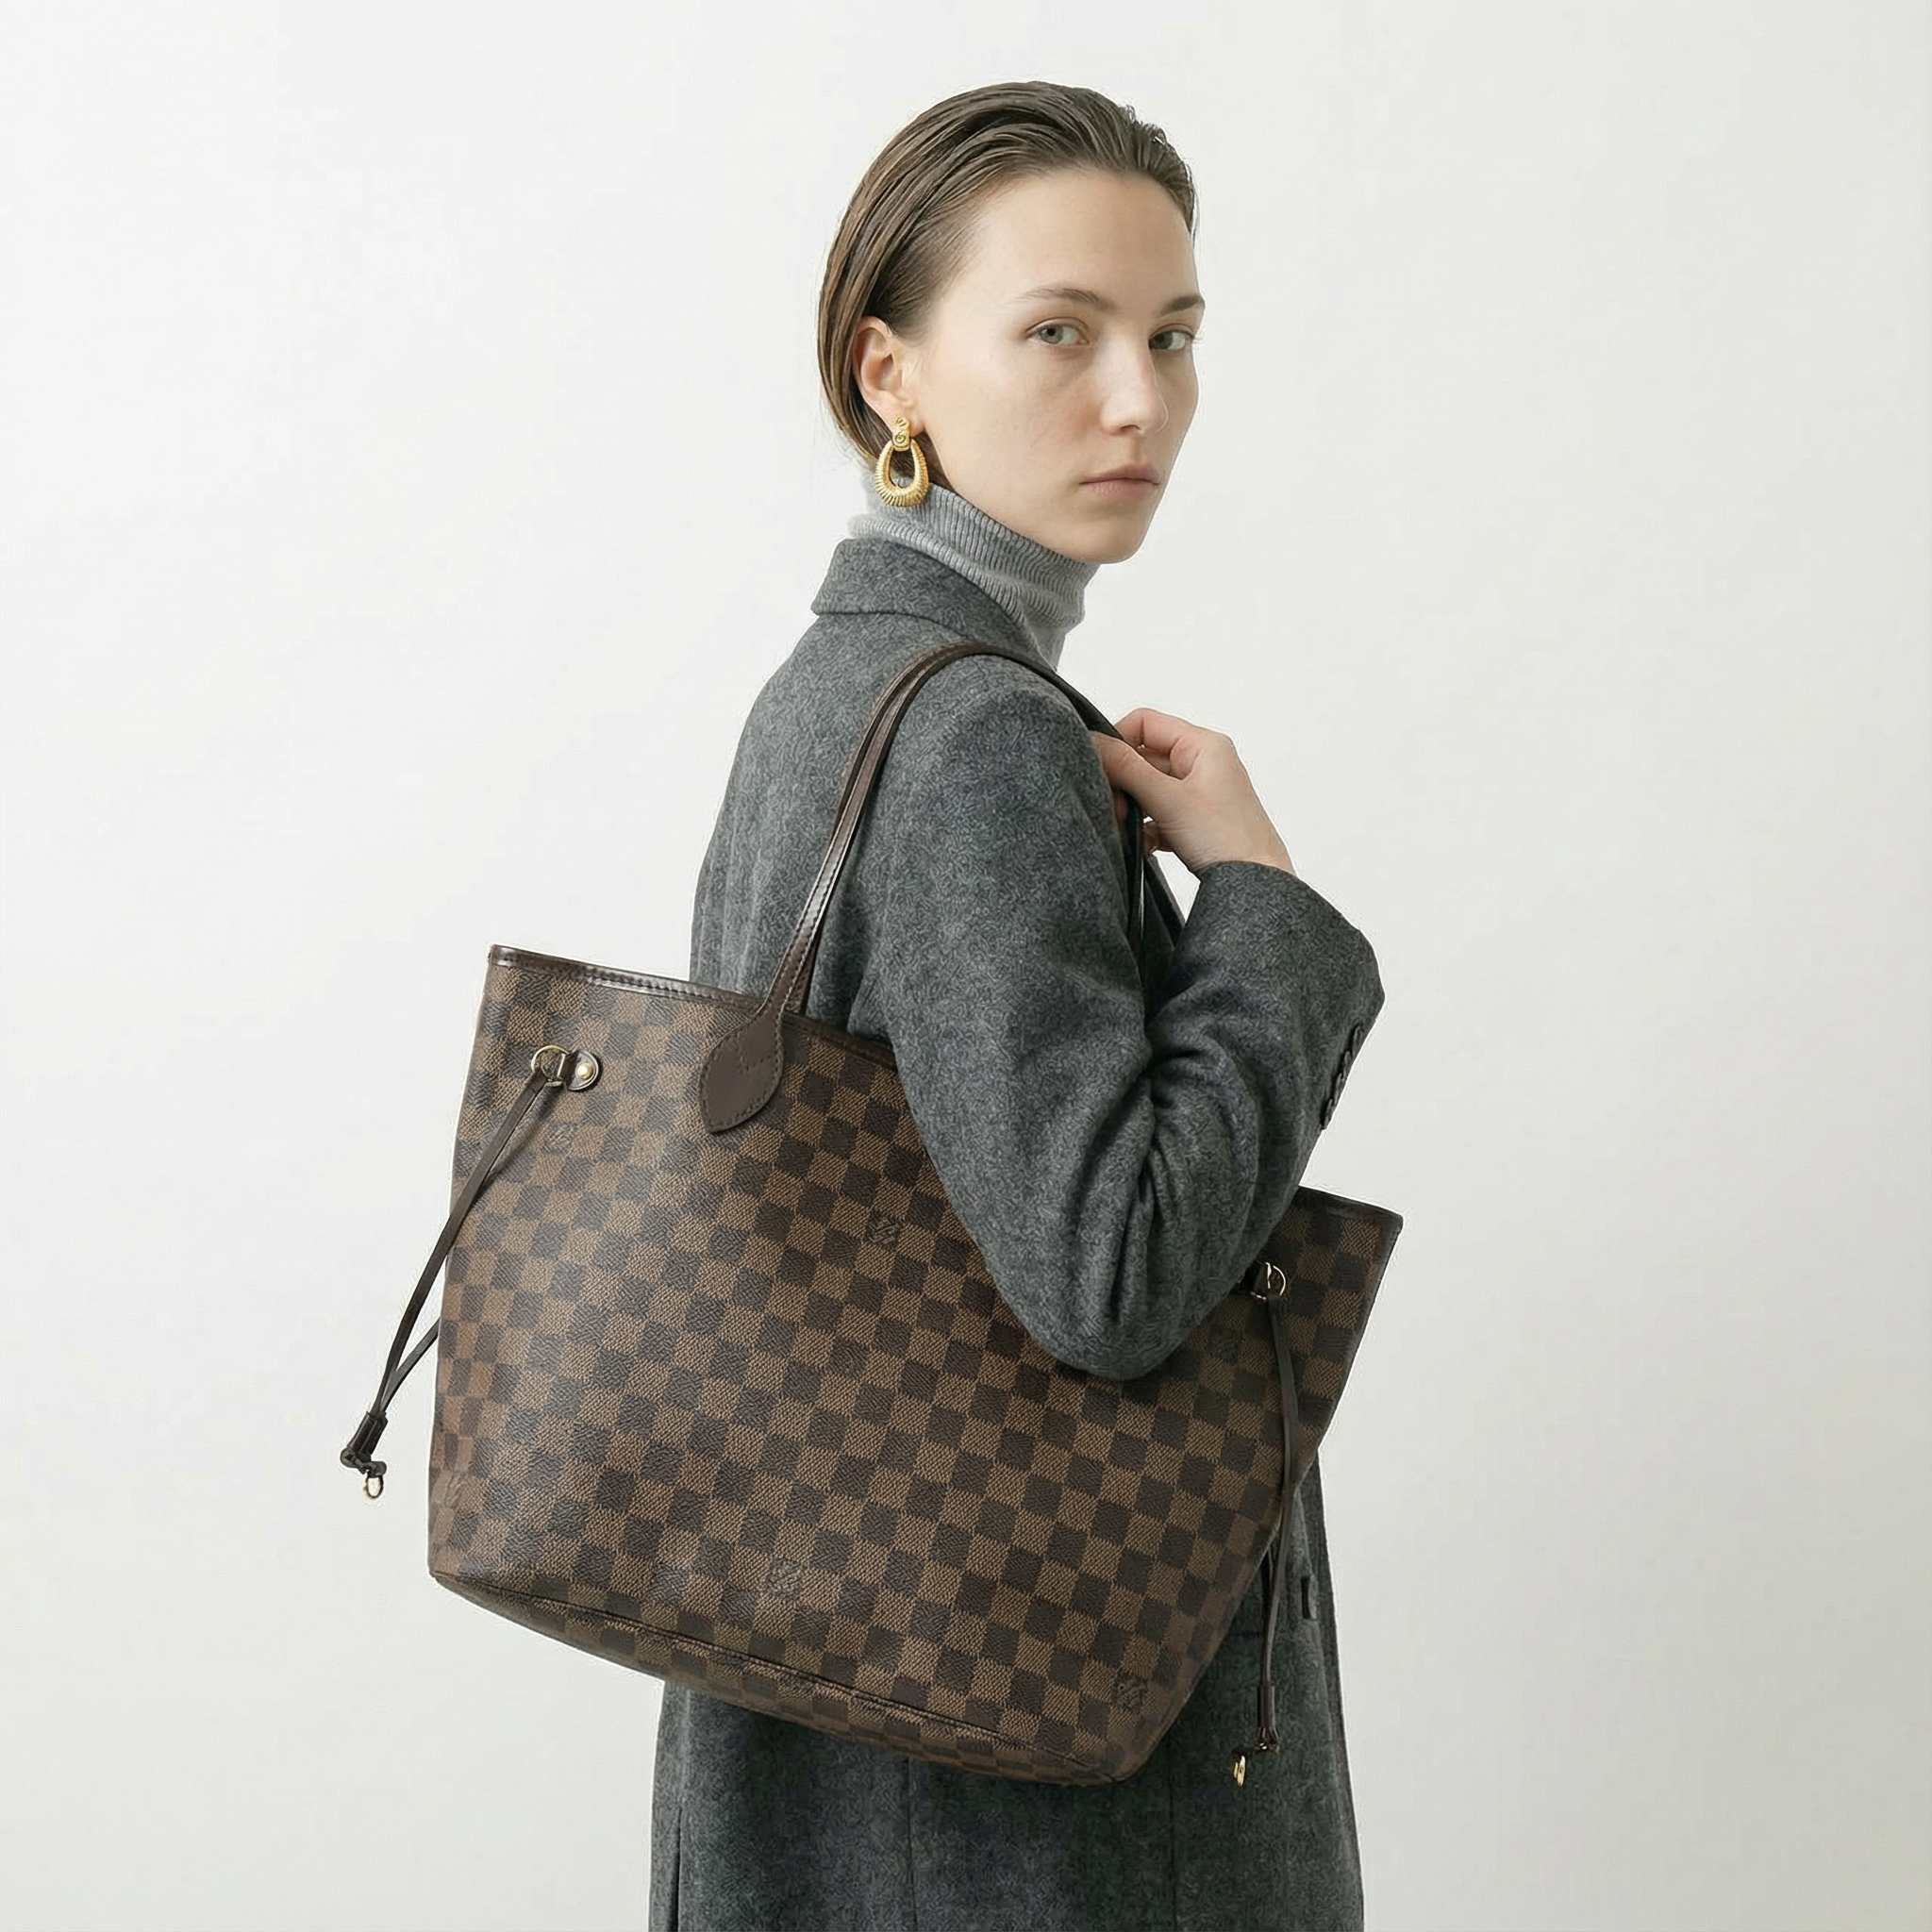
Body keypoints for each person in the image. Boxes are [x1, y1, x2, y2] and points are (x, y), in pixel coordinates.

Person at [650, 80, 1385, 1932]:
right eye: (1060, 331)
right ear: (888, 371)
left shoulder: (841, 688)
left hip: (860, 1755)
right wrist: (1263, 909)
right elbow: (1110, 1276)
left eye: (1174, 336)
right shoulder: (975, 733)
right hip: (1016, 1827)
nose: (1140, 401)